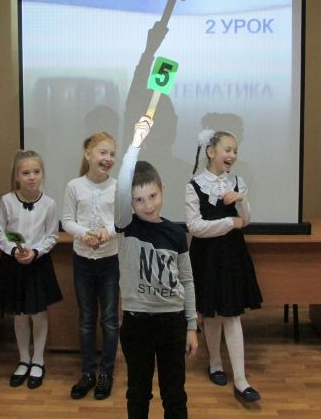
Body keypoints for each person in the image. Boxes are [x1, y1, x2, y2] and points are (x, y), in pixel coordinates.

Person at [116, 117, 198, 419]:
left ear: (162, 190)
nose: (148, 205)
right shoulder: (126, 225)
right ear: (129, 202)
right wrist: (135, 144)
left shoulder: (176, 233)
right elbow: (122, 187)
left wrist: (191, 326)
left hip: (172, 323)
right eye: (138, 200)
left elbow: (187, 281)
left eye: (152, 196)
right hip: (137, 324)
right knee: (138, 392)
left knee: (174, 394)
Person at [185, 128, 262, 403]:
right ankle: (215, 363)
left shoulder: (237, 182)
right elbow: (195, 227)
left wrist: (242, 202)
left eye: (235, 151)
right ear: (210, 151)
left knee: (231, 314)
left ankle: (241, 379)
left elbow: (246, 220)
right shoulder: (194, 185)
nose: (232, 155)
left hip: (231, 255)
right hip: (206, 256)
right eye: (228, 149)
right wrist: (230, 222)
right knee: (211, 313)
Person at [0, 150, 62, 390]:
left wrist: (35, 252)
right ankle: (24, 359)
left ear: (42, 174)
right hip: (14, 263)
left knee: (38, 314)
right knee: (20, 314)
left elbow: (52, 236)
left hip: (37, 264)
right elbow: (0, 232)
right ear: (17, 176)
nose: (31, 177)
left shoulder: (49, 204)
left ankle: (38, 360)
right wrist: (14, 251)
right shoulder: (7, 201)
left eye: (36, 172)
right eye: (25, 173)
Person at [62, 132, 119, 400]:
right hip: (83, 261)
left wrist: (108, 232)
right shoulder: (74, 186)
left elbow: (122, 220)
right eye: (102, 152)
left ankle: (106, 373)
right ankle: (87, 373)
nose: (108, 158)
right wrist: (85, 234)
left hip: (109, 261)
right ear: (88, 154)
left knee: (110, 320)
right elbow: (67, 220)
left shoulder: (117, 187)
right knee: (86, 319)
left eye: (112, 154)